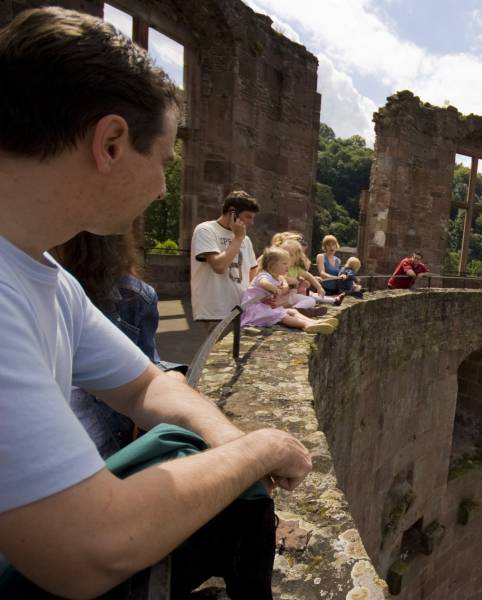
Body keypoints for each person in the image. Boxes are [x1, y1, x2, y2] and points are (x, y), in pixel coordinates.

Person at [0, 8, 311, 598]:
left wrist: (231, 444)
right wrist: (259, 449)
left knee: (186, 441)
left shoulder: (45, 275)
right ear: (111, 143)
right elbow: (87, 548)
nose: (166, 186)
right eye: (164, 161)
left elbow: (147, 385)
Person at [52, 231, 187, 458]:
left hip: (109, 456)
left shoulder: (129, 295)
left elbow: (143, 378)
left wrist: (167, 377)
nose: (163, 193)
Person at [190, 190, 260, 329]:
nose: (251, 222)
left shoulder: (246, 239)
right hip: (217, 310)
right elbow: (219, 266)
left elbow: (252, 273)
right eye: (248, 217)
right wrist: (238, 238)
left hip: (242, 308)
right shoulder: (206, 230)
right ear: (232, 212)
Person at [240, 246, 336, 334]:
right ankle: (306, 325)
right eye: (284, 263)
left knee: (292, 311)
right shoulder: (264, 275)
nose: (288, 266)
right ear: (272, 264)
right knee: (282, 315)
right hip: (253, 309)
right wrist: (273, 288)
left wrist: (285, 286)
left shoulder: (278, 277)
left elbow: (284, 282)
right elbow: (263, 283)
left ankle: (314, 322)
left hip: (262, 307)